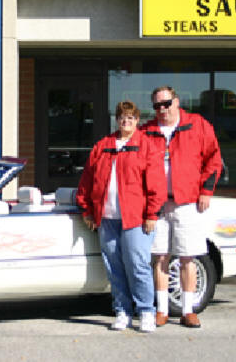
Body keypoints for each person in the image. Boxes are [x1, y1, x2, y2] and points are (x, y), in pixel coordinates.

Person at [76, 100, 166, 333]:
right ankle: (122, 311)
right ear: (116, 119)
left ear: (138, 120)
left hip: (136, 219)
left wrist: (152, 214)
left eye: (131, 118)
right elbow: (87, 180)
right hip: (107, 219)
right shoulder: (103, 146)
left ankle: (146, 311)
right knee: (114, 267)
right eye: (122, 117)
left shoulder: (146, 146)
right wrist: (87, 210)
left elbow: (156, 183)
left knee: (137, 265)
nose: (126, 121)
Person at [141, 86, 222, 329]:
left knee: (188, 257)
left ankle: (188, 310)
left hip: (187, 203)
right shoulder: (147, 131)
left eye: (166, 104)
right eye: (157, 106)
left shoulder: (197, 125)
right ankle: (162, 310)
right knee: (160, 258)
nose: (162, 109)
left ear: (176, 101)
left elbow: (214, 159)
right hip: (157, 204)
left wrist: (206, 191)